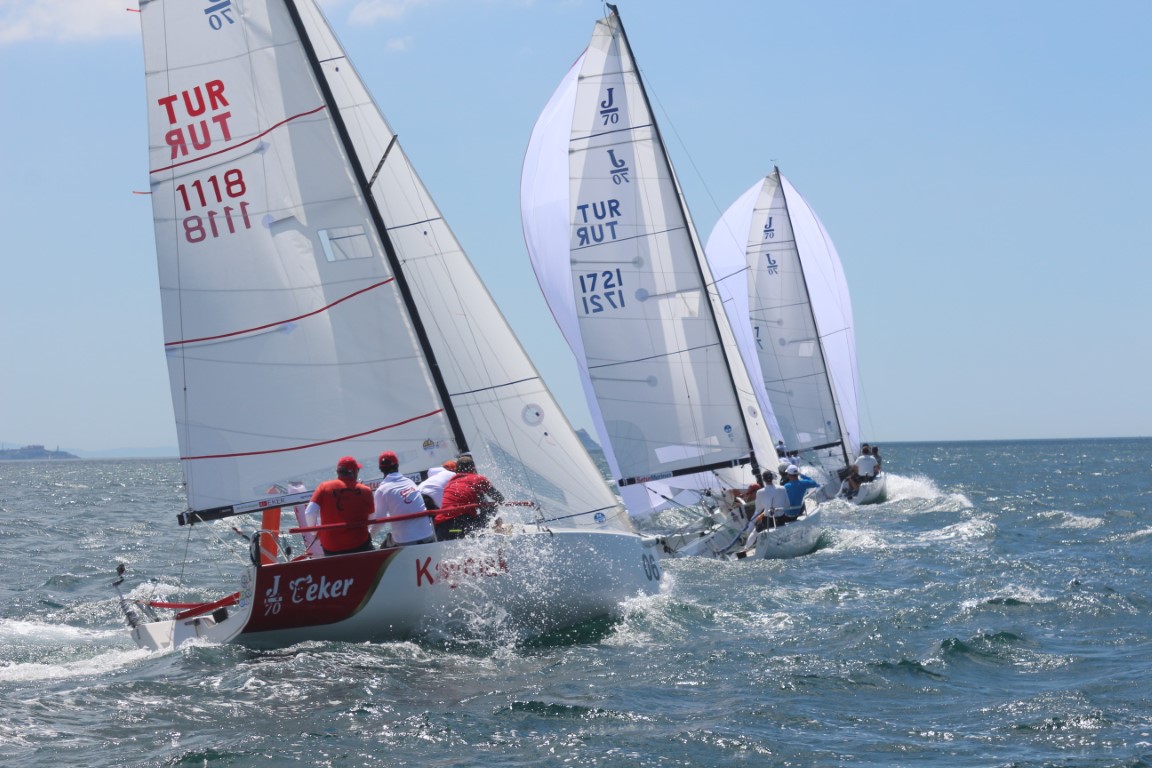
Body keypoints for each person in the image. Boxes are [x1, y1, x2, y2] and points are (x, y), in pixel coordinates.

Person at [302, 456, 375, 557]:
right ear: (355, 472)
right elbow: (372, 518)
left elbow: (309, 512)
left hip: (331, 548)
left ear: (338, 472)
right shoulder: (366, 490)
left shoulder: (323, 487)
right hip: (359, 545)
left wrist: (315, 532)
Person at [373, 451, 436, 546]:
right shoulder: (410, 482)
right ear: (397, 465)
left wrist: (369, 537)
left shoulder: (382, 490)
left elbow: (379, 521)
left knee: (384, 545)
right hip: (428, 536)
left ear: (380, 469)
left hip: (405, 542)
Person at [436, 453, 504, 540]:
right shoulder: (478, 479)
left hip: (443, 530)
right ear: (473, 468)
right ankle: (489, 532)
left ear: (456, 470)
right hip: (460, 529)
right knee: (492, 507)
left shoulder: (450, 483)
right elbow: (500, 498)